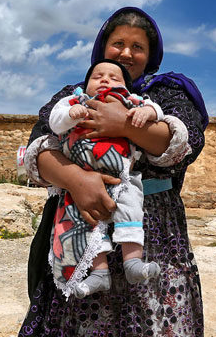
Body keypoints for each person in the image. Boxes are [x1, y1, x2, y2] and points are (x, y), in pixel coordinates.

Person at [19, 7, 209, 336]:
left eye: (138, 47)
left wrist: (122, 123)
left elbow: (183, 142)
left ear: (151, 55)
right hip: (82, 218)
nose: (126, 53)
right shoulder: (73, 96)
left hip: (153, 232)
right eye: (118, 43)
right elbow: (37, 150)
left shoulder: (166, 93)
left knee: (154, 317)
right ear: (102, 47)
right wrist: (76, 180)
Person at [48, 58, 164, 299]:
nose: (105, 80)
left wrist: (146, 112)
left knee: (131, 210)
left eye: (114, 77)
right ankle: (99, 272)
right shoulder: (73, 100)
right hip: (83, 180)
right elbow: (55, 122)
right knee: (87, 222)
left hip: (122, 177)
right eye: (98, 76)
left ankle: (133, 262)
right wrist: (71, 114)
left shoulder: (130, 101)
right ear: (86, 82)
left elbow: (157, 111)